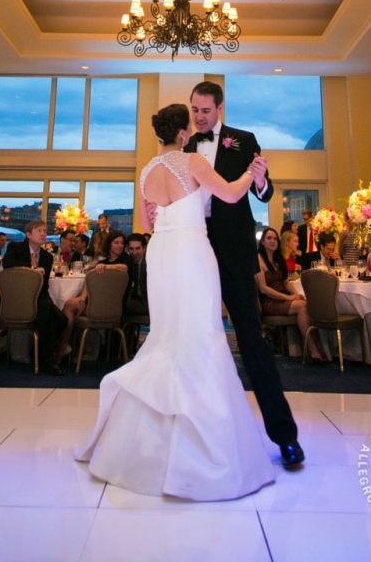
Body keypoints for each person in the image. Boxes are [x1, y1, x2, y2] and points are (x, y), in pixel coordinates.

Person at [76, 102, 274, 500]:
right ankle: (200, 445)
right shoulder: (192, 163)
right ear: (184, 133)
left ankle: (142, 443)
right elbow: (233, 196)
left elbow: (147, 223)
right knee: (199, 335)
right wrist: (253, 175)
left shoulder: (146, 171)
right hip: (190, 251)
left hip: (161, 252)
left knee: (166, 334)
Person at [185, 80, 303, 469]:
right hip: (195, 248)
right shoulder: (182, 145)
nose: (199, 117)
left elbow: (263, 195)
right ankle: (195, 436)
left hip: (234, 252)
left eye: (205, 110)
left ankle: (285, 436)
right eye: (194, 110)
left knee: (251, 339)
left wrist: (263, 180)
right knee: (193, 341)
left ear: (219, 109)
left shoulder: (243, 139)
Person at [2, 220, 68, 375]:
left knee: (62, 319)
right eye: (39, 231)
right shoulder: (16, 248)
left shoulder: (46, 257)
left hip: (39, 297)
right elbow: (8, 263)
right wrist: (32, 269)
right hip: (18, 297)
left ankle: (39, 351)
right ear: (29, 234)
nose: (44, 234)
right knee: (46, 311)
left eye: (45, 231)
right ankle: (46, 360)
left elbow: (43, 286)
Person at [256, 227, 321, 358]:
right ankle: (313, 351)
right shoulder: (258, 260)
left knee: (306, 302)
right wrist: (288, 297)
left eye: (275, 238)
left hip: (282, 298)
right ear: (262, 242)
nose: (272, 241)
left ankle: (307, 350)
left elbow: (286, 282)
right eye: (269, 238)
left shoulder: (278, 259)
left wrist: (297, 294)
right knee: (302, 306)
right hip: (269, 302)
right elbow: (263, 288)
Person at [126, 233, 148, 316]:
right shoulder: (129, 262)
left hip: (147, 304)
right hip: (135, 300)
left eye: (137, 248)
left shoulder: (150, 264)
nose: (134, 252)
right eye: (131, 249)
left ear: (144, 248)